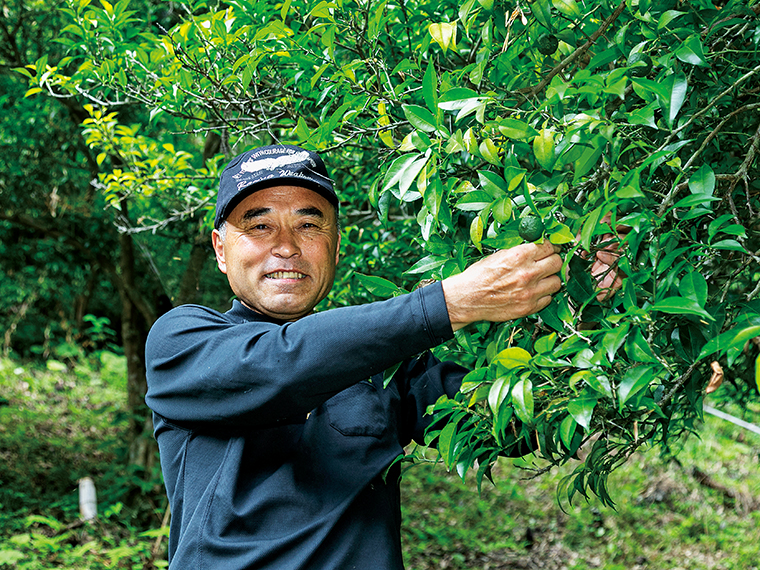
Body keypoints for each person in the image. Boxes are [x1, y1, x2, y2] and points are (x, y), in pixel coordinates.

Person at [145, 144, 565, 570]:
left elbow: (513, 426)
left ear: (336, 246)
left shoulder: (386, 361)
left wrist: (580, 302)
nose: (286, 246)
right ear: (220, 249)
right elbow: (281, 367)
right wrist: (449, 303)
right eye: (260, 227)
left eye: (309, 224)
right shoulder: (181, 340)